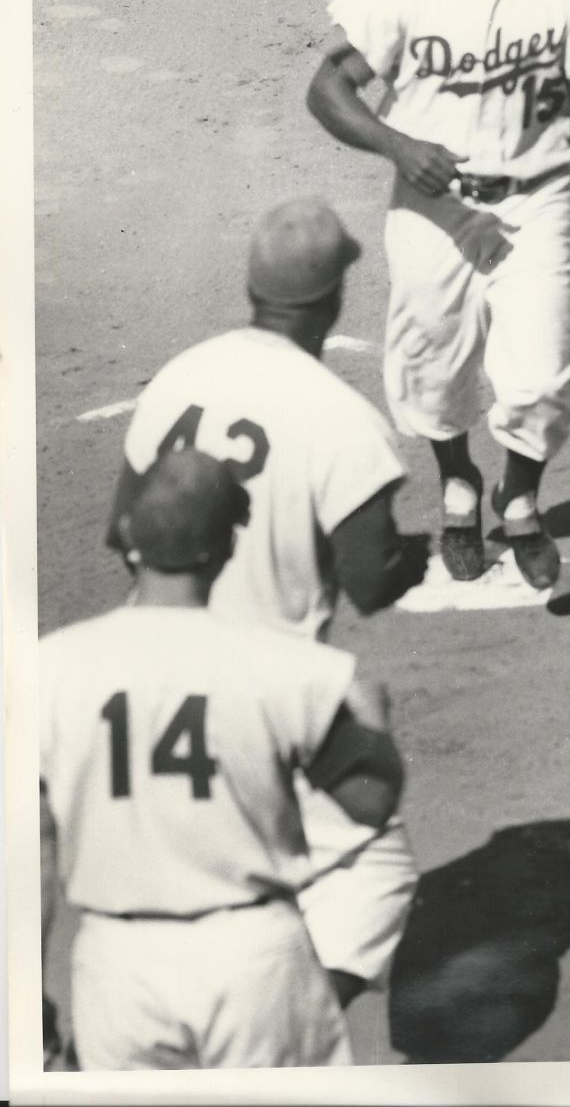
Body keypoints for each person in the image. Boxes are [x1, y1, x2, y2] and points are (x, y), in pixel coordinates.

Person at [105, 197, 424, 1007]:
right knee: (374, 873)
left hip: (147, 678)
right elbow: (370, 581)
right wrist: (411, 556)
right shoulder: (343, 421)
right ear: (333, 297)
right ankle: (271, 1035)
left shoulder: (180, 375)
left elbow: (121, 530)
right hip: (269, 702)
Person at [306, 0, 570, 590]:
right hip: (433, 208)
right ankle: (459, 483)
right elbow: (326, 90)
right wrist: (396, 145)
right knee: (432, 367)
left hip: (535, 206)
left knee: (541, 379)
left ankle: (520, 499)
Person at [42, 449, 405, 1069]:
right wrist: (372, 722)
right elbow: (369, 801)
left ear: (128, 535)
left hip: (116, 970)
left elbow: (34, 846)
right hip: (252, 963)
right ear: (226, 549)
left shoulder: (44, 669)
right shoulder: (285, 666)